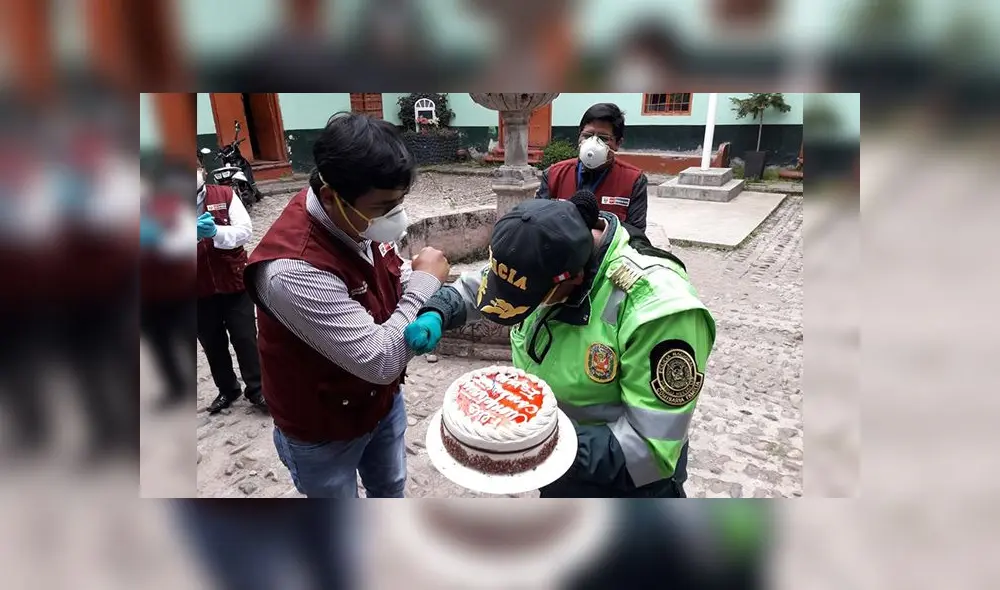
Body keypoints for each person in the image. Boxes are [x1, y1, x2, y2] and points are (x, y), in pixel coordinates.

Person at [405, 191, 715, 498]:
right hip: (557, 466)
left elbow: (649, 452)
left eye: (531, 301)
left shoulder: (659, 312)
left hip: (626, 484)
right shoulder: (542, 259)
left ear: (574, 278)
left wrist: (531, 442)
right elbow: (490, 286)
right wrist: (440, 310)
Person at [242, 112, 451, 498]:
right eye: (384, 206)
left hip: (381, 404)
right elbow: (380, 361)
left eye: (400, 202)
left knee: (390, 486)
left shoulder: (355, 219)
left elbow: (389, 276)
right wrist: (425, 284)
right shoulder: (292, 271)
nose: (396, 217)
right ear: (330, 197)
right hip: (322, 428)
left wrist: (414, 278)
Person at [196, 163, 267, 414]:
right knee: (212, 342)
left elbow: (245, 232)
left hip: (233, 281)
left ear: (202, 170)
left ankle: (258, 389)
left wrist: (216, 232)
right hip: (197, 287)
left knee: (245, 337)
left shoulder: (225, 194)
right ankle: (227, 389)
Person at [535, 103, 649, 231]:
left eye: (603, 138)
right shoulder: (554, 175)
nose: (593, 143)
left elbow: (636, 234)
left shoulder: (633, 181)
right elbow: (536, 222)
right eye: (587, 136)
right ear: (579, 136)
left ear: (618, 143)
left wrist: (600, 232)